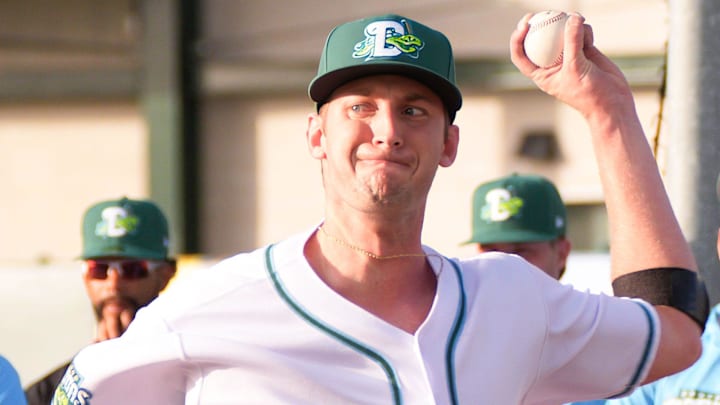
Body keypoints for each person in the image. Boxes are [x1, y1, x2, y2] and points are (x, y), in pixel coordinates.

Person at [52, 12, 707, 404]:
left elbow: (676, 331)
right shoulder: (212, 304)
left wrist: (609, 112)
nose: (386, 129)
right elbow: (76, 391)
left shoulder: (513, 299)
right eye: (359, 105)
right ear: (316, 135)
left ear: (449, 143)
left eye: (413, 110)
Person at [25, 197, 176, 405]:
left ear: (165, 274)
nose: (113, 285)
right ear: (85, 277)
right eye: (99, 269)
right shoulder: (49, 391)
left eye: (133, 269)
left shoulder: (192, 376)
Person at [464, 173, 571, 279]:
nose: (503, 266)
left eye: (520, 252)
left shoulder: (583, 296)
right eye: (491, 252)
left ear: (561, 254)